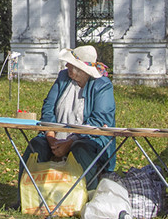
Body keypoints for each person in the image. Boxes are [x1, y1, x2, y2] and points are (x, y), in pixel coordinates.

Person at [18, 45, 116, 191]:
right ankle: (26, 196)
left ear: (81, 70)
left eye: (70, 63)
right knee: (36, 145)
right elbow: (48, 107)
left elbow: (98, 120)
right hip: (56, 137)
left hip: (90, 140)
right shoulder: (63, 77)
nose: (67, 65)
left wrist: (70, 142)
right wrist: (51, 136)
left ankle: (88, 196)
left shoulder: (102, 85)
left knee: (80, 149)